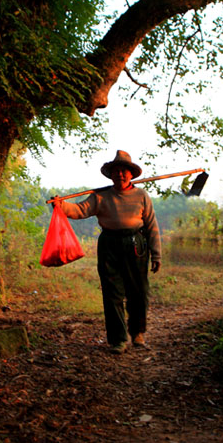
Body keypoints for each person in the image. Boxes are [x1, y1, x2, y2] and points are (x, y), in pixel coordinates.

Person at [53, 150, 161, 354]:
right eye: (116, 171)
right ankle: (118, 340)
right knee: (112, 294)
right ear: (110, 175)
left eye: (124, 171)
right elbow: (80, 210)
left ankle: (137, 333)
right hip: (109, 245)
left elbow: (151, 225)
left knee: (138, 291)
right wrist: (61, 206)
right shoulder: (100, 196)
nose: (120, 174)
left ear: (131, 174)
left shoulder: (141, 196)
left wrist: (156, 254)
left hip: (136, 244)